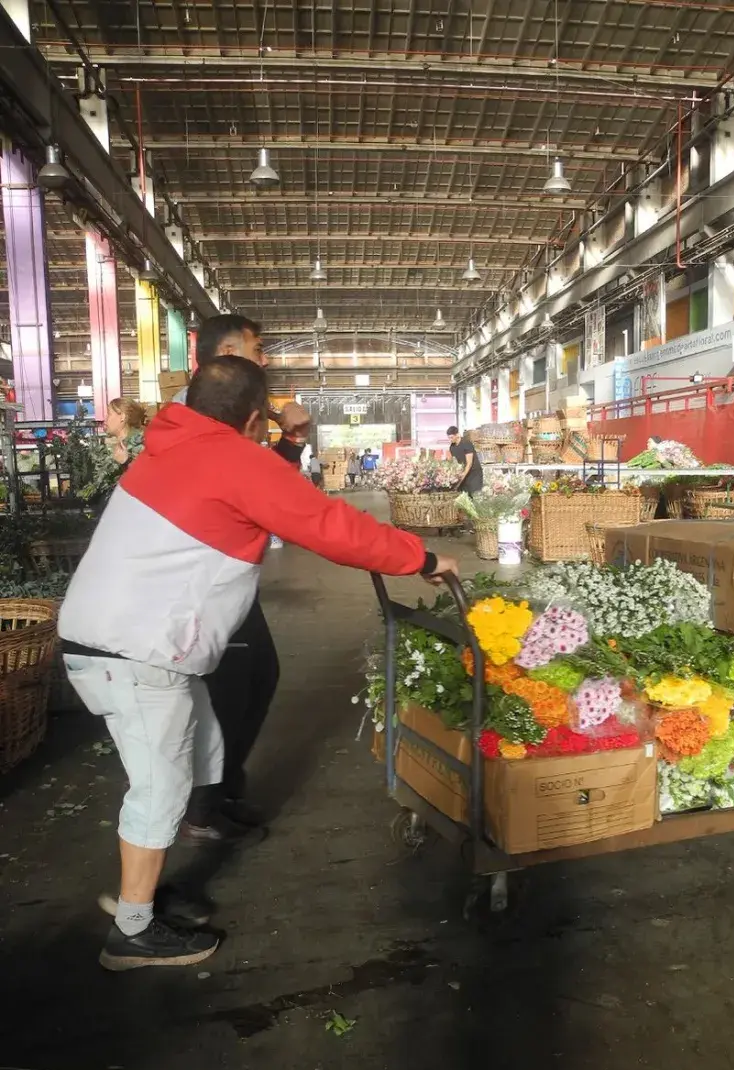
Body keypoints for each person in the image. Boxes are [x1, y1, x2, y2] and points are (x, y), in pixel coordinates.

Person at [59, 356, 458, 971]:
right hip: (136, 650)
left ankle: (145, 885)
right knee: (161, 782)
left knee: (203, 750)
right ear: (252, 419)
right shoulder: (230, 457)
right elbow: (329, 525)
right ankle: (132, 929)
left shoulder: (169, 448)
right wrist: (422, 559)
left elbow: (287, 506)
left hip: (123, 640)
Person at [176, 315, 311, 844]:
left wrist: (291, 442)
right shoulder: (202, 419)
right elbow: (276, 501)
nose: (268, 358)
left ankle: (223, 792)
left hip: (230, 575)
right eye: (259, 348)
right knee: (230, 688)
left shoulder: (234, 419)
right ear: (229, 353)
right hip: (202, 581)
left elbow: (263, 490)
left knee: (258, 675)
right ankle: (201, 808)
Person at [104, 397, 149, 466]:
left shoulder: (141, 445)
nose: (105, 418)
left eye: (109, 414)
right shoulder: (112, 445)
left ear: (122, 417)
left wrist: (126, 462)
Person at [447, 425, 483, 495]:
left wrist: (462, 477)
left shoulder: (466, 443)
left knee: (474, 495)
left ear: (457, 435)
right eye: (449, 438)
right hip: (464, 473)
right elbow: (455, 462)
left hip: (474, 473)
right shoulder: (452, 447)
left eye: (451, 437)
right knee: (464, 496)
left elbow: (469, 463)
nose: (450, 440)